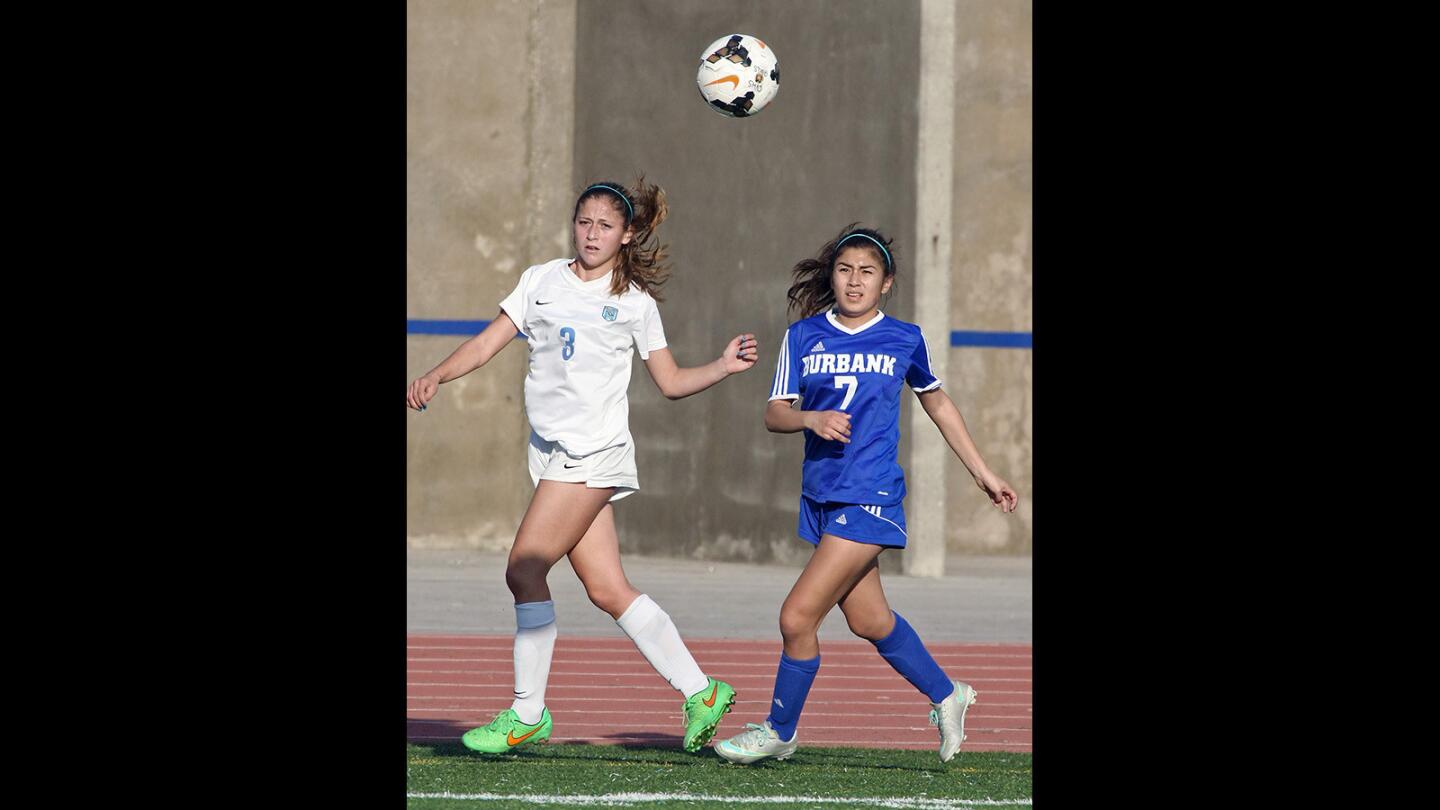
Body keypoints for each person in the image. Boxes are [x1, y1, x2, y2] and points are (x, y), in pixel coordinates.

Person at [407, 177, 758, 753]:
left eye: (606, 225)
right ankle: (702, 691)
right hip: (552, 454)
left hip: (593, 454)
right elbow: (484, 343)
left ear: (626, 236)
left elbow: (669, 383)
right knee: (607, 588)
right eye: (585, 221)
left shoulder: (635, 304)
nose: (593, 233)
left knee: (523, 568)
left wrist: (720, 366)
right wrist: (437, 375)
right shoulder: (540, 281)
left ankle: (527, 713)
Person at [715, 224, 1019, 765]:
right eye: (845, 270)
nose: (855, 282)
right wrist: (812, 417)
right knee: (870, 621)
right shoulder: (804, 336)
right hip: (823, 494)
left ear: (887, 283)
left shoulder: (905, 338)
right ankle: (949, 694)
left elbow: (938, 403)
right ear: (832, 276)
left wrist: (982, 472)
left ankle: (780, 730)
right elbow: (774, 413)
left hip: (871, 493)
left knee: (796, 617)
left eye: (867, 273)